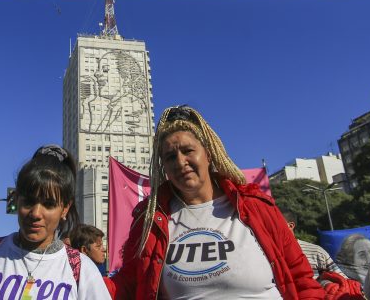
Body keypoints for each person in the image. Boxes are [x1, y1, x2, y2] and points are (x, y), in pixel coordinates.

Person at [112, 105, 323, 299]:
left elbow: (301, 279)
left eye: (188, 151)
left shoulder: (257, 206)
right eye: (170, 157)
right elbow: (127, 284)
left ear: (209, 154)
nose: (180, 162)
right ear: (163, 167)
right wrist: (80, 274)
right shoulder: (149, 222)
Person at [0, 145, 112, 299]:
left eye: (49, 204)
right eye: (28, 202)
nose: (35, 213)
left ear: (65, 209)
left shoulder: (81, 269)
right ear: (16, 200)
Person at [281, 210, 346, 282]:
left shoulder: (316, 251)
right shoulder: (268, 254)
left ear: (290, 226)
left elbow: (343, 281)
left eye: (275, 224)